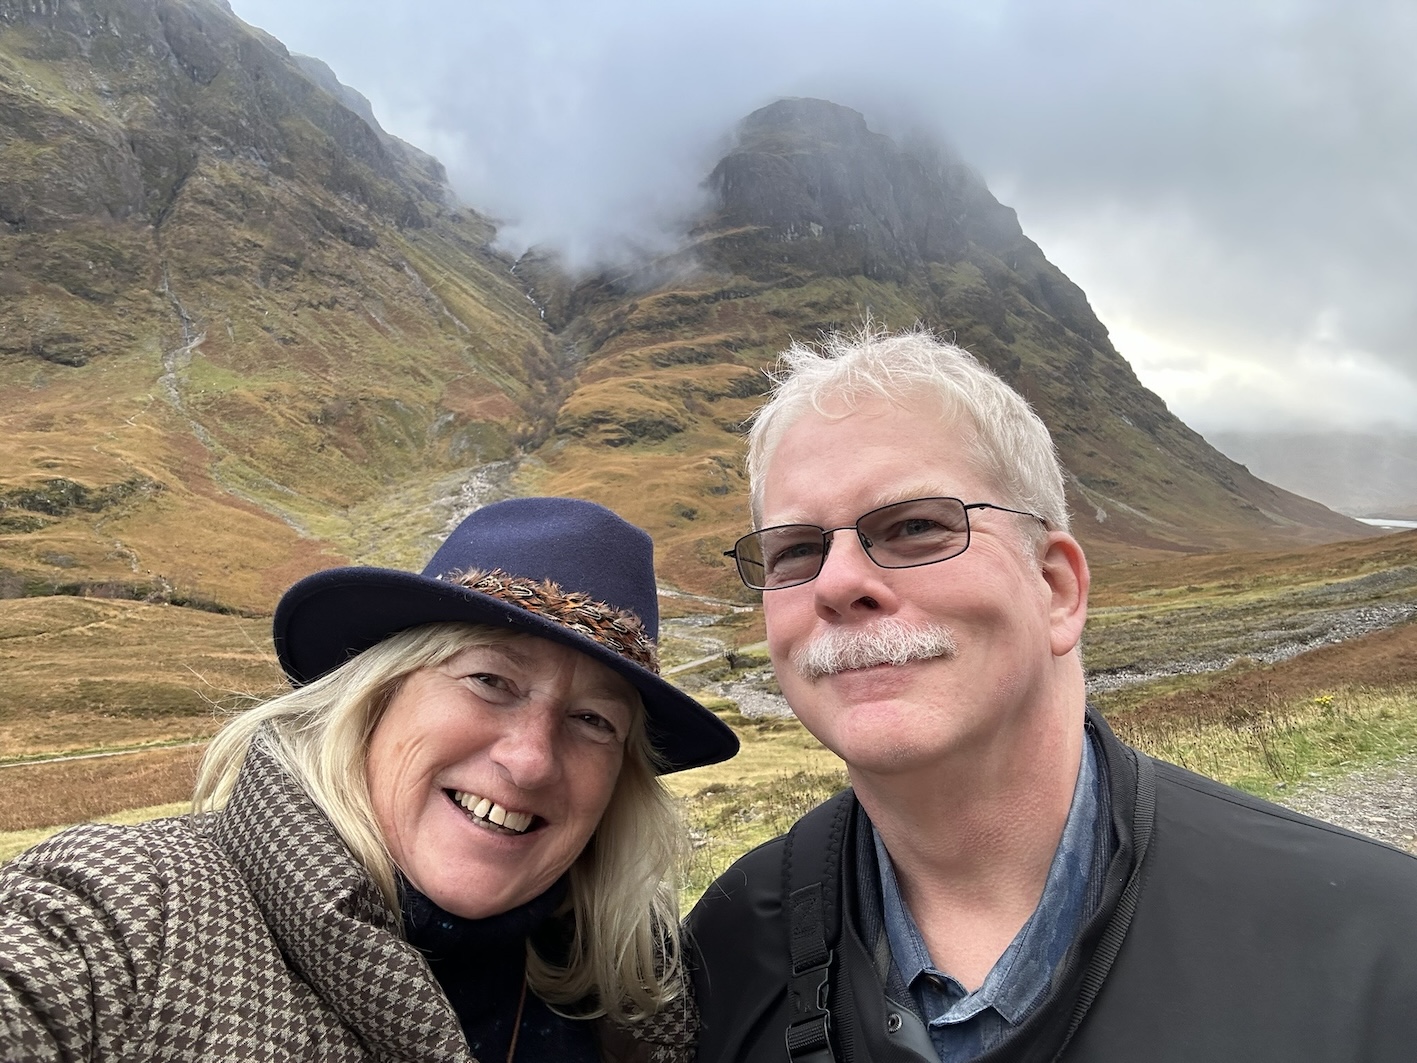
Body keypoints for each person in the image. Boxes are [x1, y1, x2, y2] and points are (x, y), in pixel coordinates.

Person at [688, 327, 1417, 1063]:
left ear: (1056, 587)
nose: (838, 583)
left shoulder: (1377, 947)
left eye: (914, 526)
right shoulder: (725, 949)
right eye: (794, 551)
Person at [1, 496, 738, 1062]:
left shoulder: (636, 987)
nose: (530, 760)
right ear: (374, 697)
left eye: (593, 721)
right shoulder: (126, 913)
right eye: (489, 679)